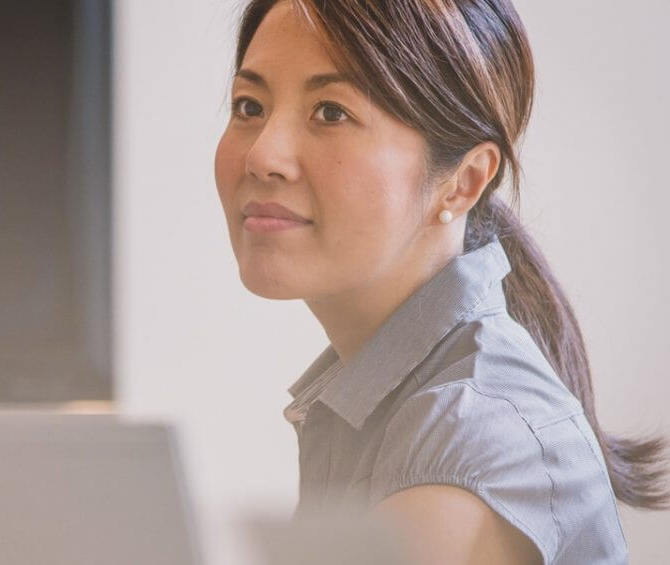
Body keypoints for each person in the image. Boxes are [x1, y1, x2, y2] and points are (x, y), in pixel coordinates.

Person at [212, 1, 669, 563]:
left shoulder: (471, 443)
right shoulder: (397, 402)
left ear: (463, 182)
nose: (262, 155)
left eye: (331, 112)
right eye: (249, 105)